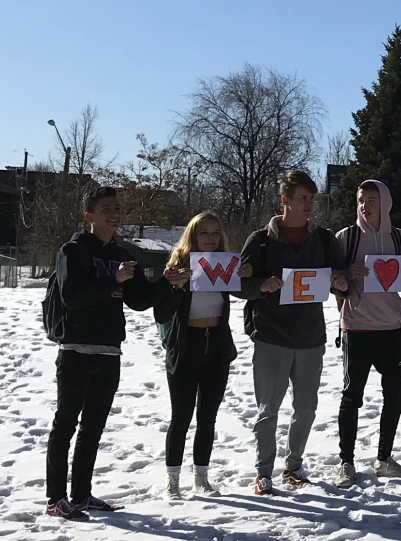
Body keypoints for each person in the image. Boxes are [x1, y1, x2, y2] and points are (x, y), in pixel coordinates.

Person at [236, 170, 350, 496]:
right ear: (285, 200)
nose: (309, 205)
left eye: (312, 199)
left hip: (311, 337)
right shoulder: (260, 240)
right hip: (271, 336)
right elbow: (238, 284)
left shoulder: (324, 238)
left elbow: (340, 274)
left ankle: (293, 466)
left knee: (306, 408)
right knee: (267, 409)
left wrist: (341, 282)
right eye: (303, 199)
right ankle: (263, 472)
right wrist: (261, 285)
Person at [45, 187, 155, 519]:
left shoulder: (122, 254)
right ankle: (55, 499)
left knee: (93, 428)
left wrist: (170, 283)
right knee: (65, 424)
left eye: (118, 208)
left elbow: (139, 300)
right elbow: (72, 298)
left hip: (109, 351)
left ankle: (81, 495)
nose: (114, 213)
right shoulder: (73, 251)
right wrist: (112, 280)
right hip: (76, 350)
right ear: (90, 216)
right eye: (107, 208)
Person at [332, 180, 401, 488]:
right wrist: (345, 276)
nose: (364, 205)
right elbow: (331, 282)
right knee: (351, 396)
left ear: (385, 202)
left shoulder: (398, 238)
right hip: (356, 328)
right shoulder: (347, 237)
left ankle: (384, 458)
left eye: (372, 199)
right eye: (360, 199)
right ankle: (346, 462)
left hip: (390, 328)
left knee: (394, 397)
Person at [154, 212, 248, 500]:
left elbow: (246, 293)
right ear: (192, 236)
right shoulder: (177, 267)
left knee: (208, 418)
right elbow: (161, 313)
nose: (210, 238)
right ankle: (172, 481)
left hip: (216, 346)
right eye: (203, 232)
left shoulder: (226, 266)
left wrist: (246, 277)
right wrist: (175, 286)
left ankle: (201, 478)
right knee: (180, 418)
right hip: (186, 346)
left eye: (215, 233)